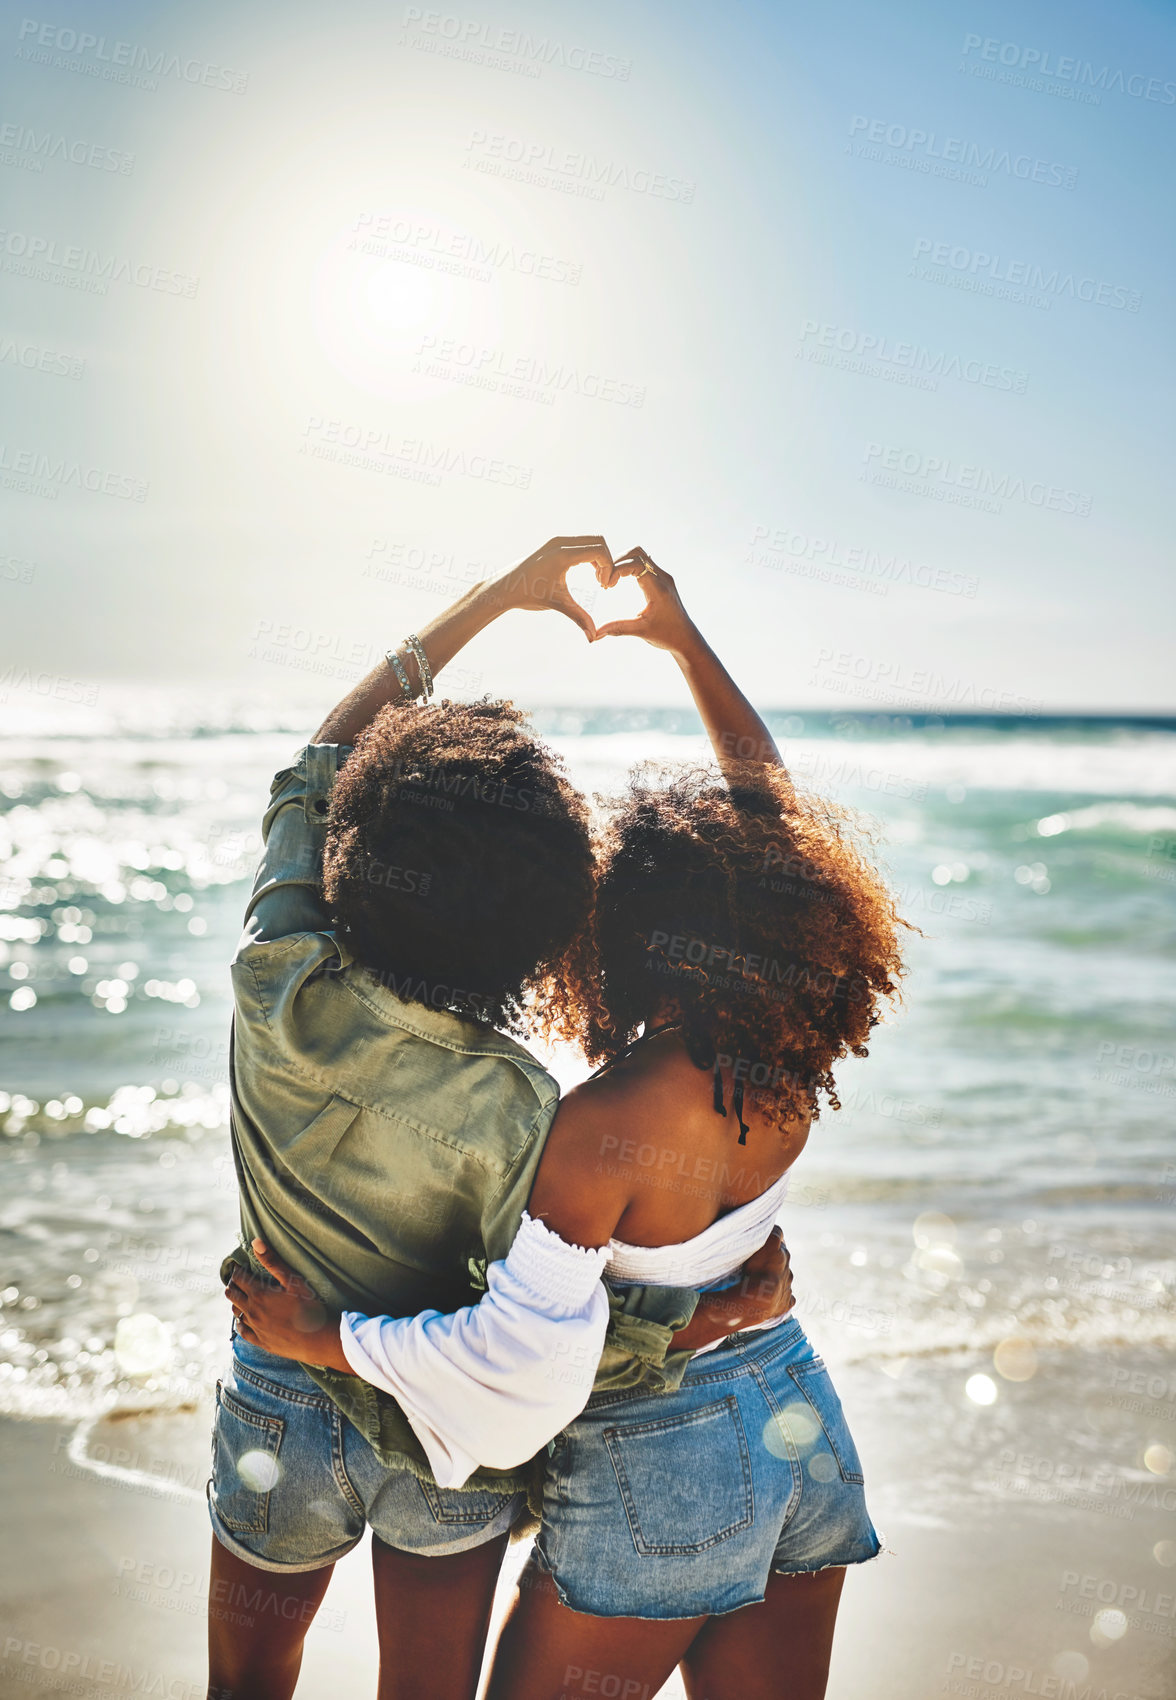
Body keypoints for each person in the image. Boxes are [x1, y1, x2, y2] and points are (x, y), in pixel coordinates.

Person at [230, 546, 907, 1700]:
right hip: (795, 1411)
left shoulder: (596, 1121)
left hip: (662, 1459)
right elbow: (774, 818)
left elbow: (529, 1363)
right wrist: (688, 644)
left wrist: (321, 1339)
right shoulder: (792, 1049)